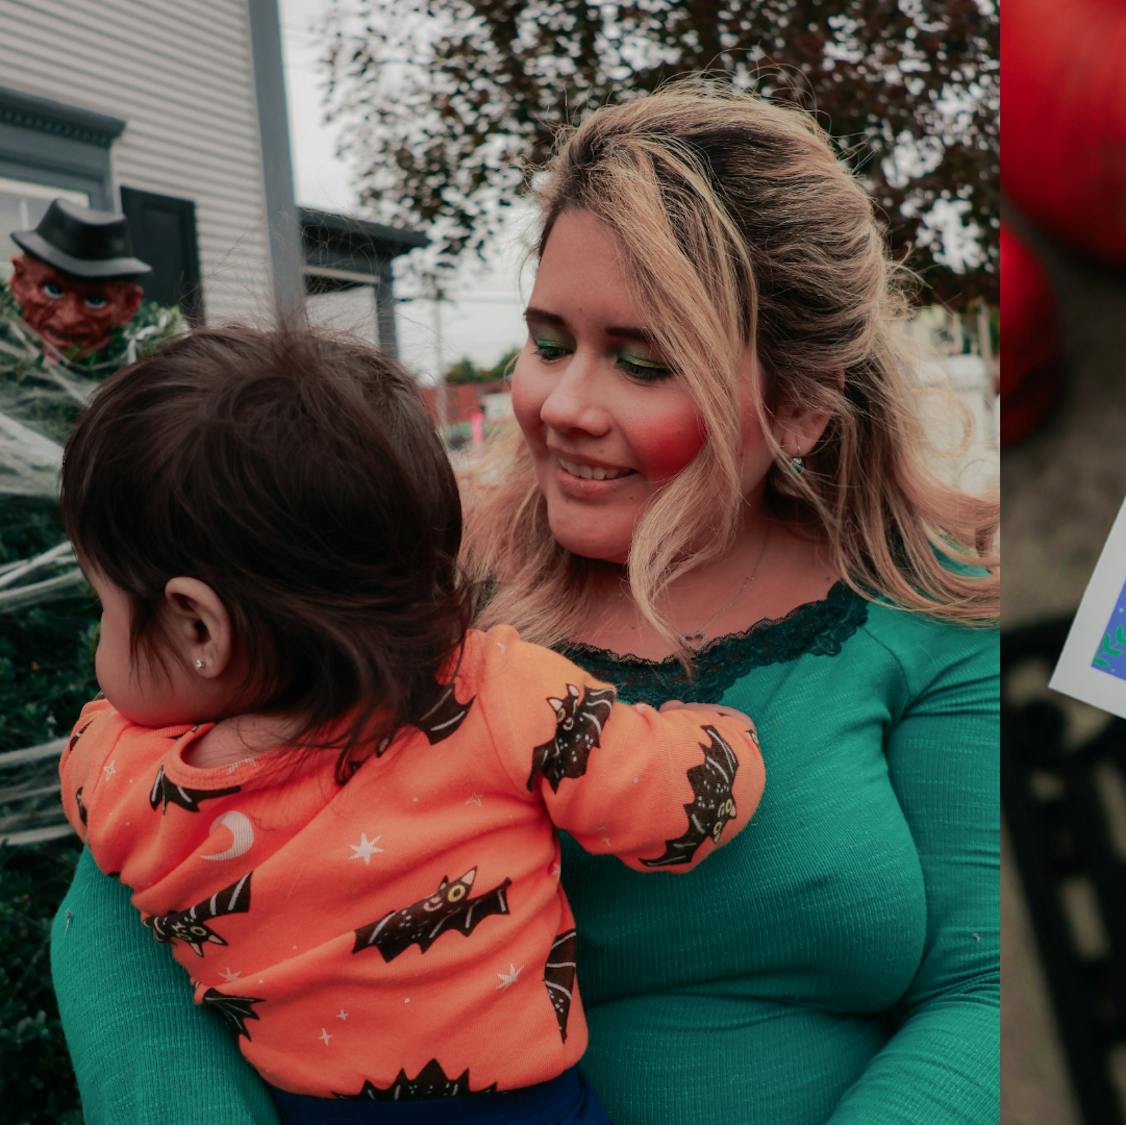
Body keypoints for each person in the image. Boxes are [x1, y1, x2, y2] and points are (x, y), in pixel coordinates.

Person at [49, 79, 999, 1124]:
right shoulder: (394, 591)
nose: (561, 407)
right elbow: (131, 882)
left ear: (801, 407)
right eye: (548, 343)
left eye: (641, 363)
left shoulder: (932, 619)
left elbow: (986, 990)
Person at [54, 326, 762, 1121]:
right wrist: (724, 730)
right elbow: (678, 807)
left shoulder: (122, 775)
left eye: (107, 610)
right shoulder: (498, 692)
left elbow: (91, 750)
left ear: (199, 627)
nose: (101, 654)